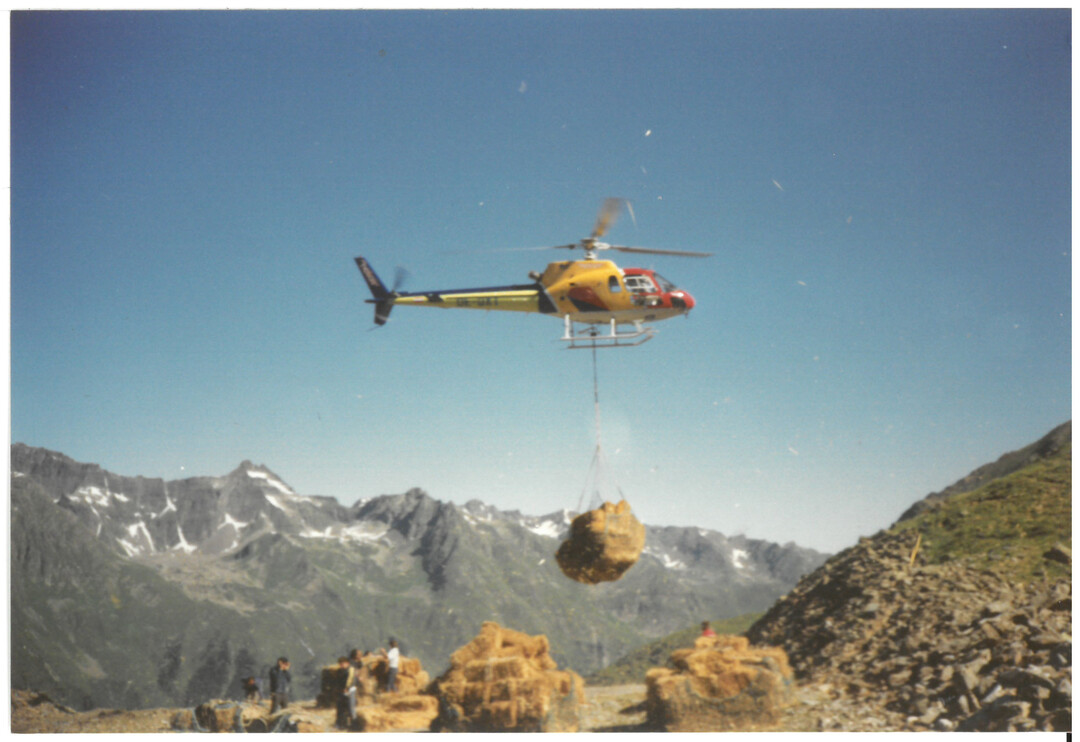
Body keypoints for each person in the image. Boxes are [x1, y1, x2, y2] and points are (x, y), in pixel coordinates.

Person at [334, 656, 354, 729]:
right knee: (340, 708)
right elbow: (337, 681)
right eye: (340, 664)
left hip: (349, 691)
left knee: (349, 709)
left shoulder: (351, 670)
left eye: (343, 664)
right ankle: (340, 724)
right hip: (340, 691)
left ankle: (351, 724)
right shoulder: (339, 671)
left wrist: (347, 688)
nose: (341, 665)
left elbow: (351, 680)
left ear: (347, 663)